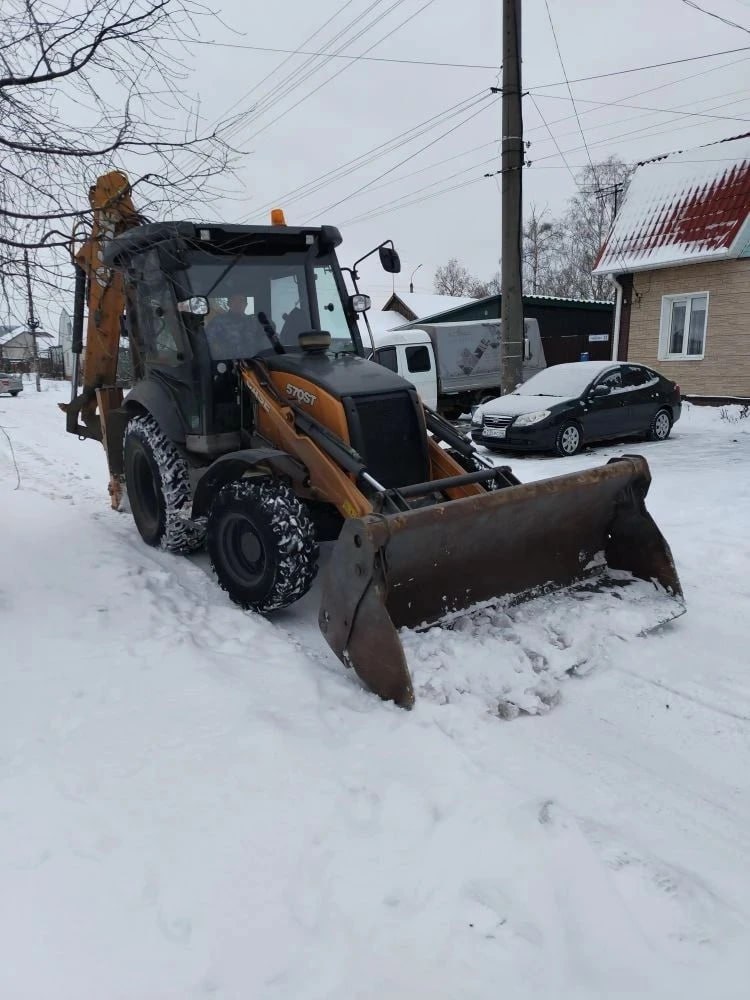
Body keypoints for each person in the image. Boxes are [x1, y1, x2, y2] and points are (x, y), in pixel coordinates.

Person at [205, 294, 269, 360]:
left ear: (246, 304)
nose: (238, 304)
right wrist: (216, 352)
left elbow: (265, 340)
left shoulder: (254, 321)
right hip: (228, 362)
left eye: (241, 301)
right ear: (228, 304)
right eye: (234, 301)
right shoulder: (218, 321)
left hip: (252, 362)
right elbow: (206, 341)